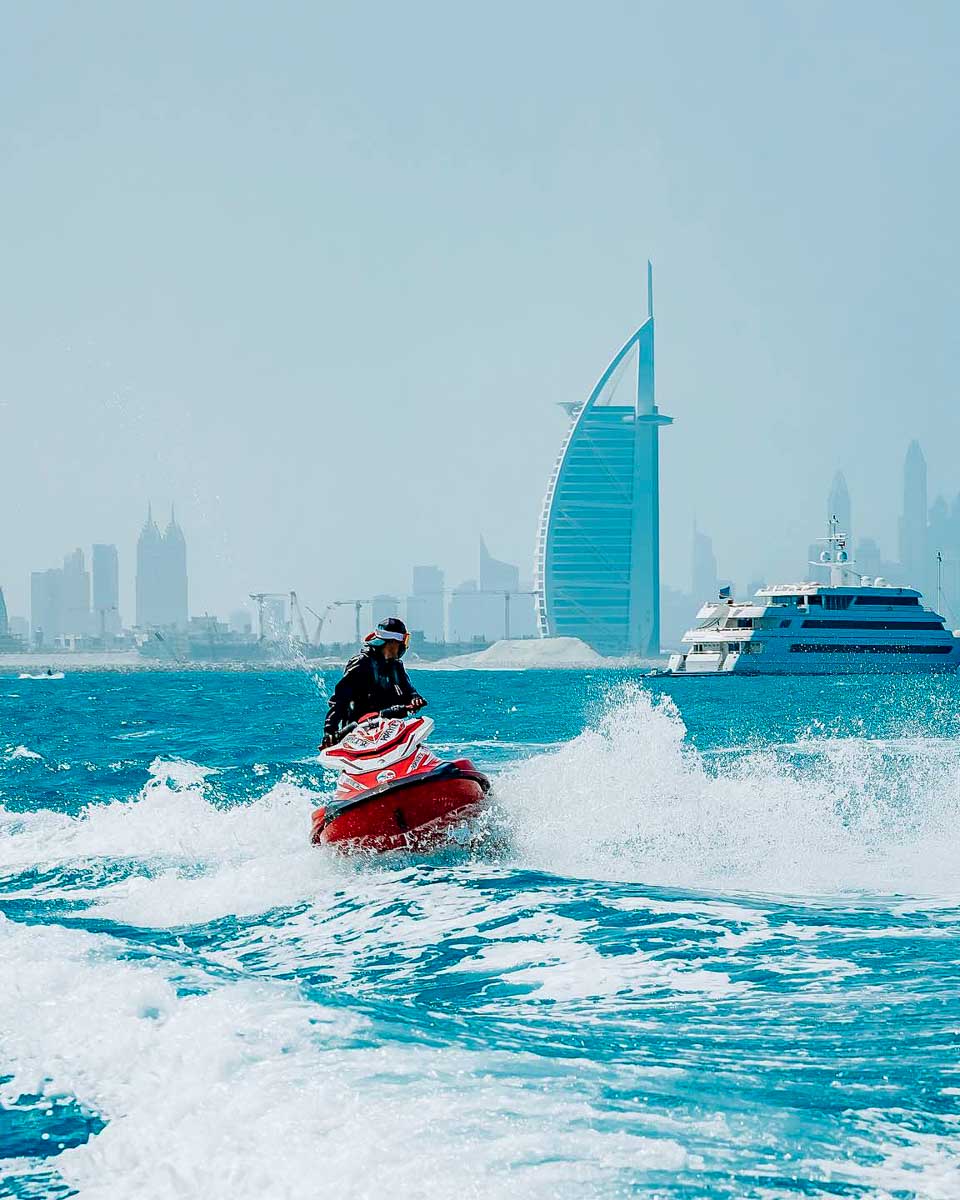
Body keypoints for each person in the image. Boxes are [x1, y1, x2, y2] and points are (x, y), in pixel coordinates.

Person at [321, 617, 426, 748]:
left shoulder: (396, 665)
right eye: (403, 641)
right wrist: (329, 732)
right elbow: (339, 701)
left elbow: (409, 691)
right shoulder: (361, 663)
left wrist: (415, 699)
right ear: (393, 642)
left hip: (388, 731)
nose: (404, 646)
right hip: (359, 735)